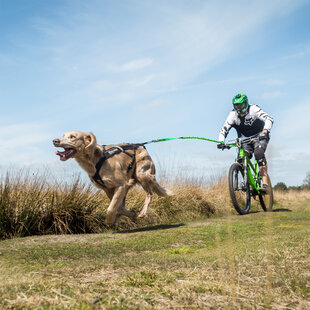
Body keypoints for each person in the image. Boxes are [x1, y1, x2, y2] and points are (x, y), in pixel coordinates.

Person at [217, 93, 274, 190]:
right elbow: (224, 129)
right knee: (241, 157)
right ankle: (247, 183)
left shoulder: (253, 109)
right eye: (236, 106)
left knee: (258, 153)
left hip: (260, 135)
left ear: (246, 104)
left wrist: (265, 131)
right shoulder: (233, 115)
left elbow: (269, 119)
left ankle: (265, 183)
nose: (238, 108)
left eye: (241, 105)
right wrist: (221, 141)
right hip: (245, 139)